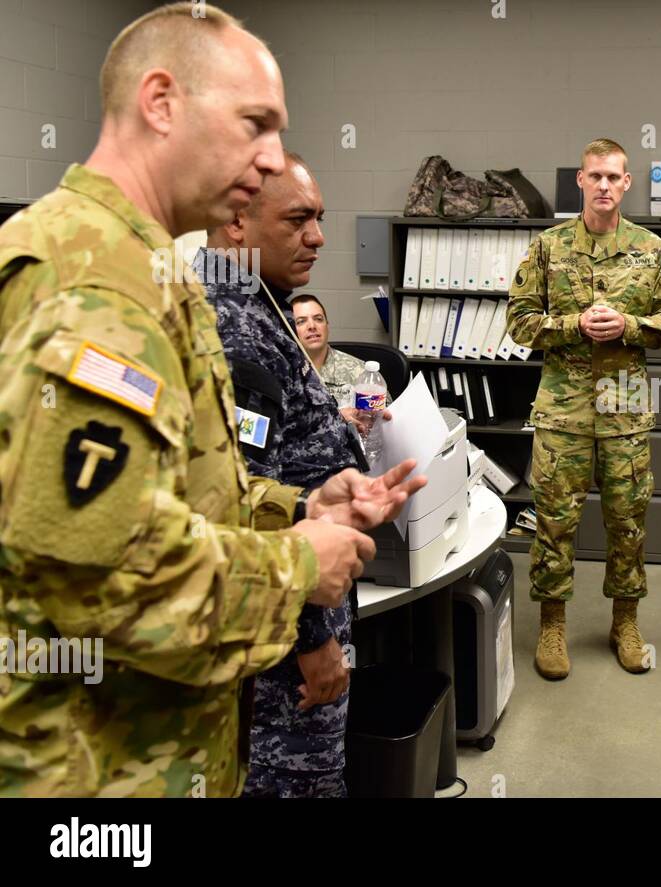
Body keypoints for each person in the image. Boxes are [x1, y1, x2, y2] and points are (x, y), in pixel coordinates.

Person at [0, 2, 423, 798]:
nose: (269, 160)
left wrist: (292, 510)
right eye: (254, 124)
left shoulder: (151, 267)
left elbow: (172, 495)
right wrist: (301, 565)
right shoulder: (99, 284)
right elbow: (99, 579)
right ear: (161, 103)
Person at [196, 153, 363, 798]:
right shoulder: (235, 329)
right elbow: (242, 513)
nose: (317, 237)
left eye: (318, 219)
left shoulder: (260, 301)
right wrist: (312, 642)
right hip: (283, 645)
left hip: (300, 605)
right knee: (294, 783)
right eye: (298, 220)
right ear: (238, 220)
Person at [506, 138, 661, 680]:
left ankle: (625, 622)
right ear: (580, 182)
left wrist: (630, 326)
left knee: (627, 520)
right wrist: (571, 326)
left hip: (624, 401)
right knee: (555, 522)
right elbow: (517, 323)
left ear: (626, 183)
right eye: (595, 177)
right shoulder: (549, 246)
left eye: (614, 177)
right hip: (563, 404)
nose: (604, 185)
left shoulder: (650, 248)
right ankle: (553, 624)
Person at [292, 293, 365, 408]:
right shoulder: (283, 371)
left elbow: (385, 419)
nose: (312, 326)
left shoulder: (360, 372)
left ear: (327, 326)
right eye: (301, 321)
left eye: (318, 319)